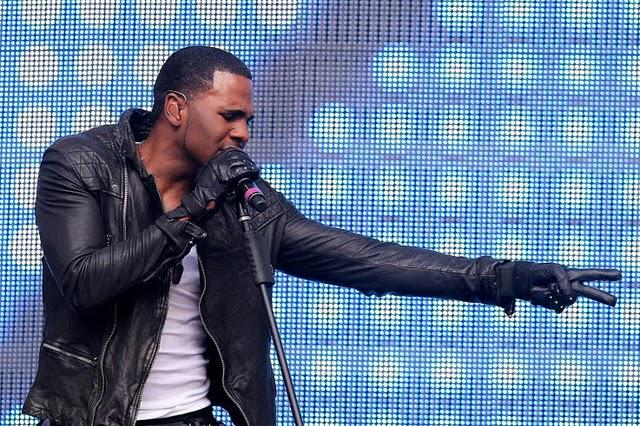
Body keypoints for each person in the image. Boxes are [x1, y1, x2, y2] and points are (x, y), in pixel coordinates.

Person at [23, 46, 622, 426]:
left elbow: (361, 259)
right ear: (177, 109)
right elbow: (85, 281)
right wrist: (196, 209)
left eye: (249, 120)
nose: (243, 133)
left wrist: (500, 277)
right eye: (230, 116)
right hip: (93, 417)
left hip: (192, 417)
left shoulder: (238, 198)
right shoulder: (82, 166)